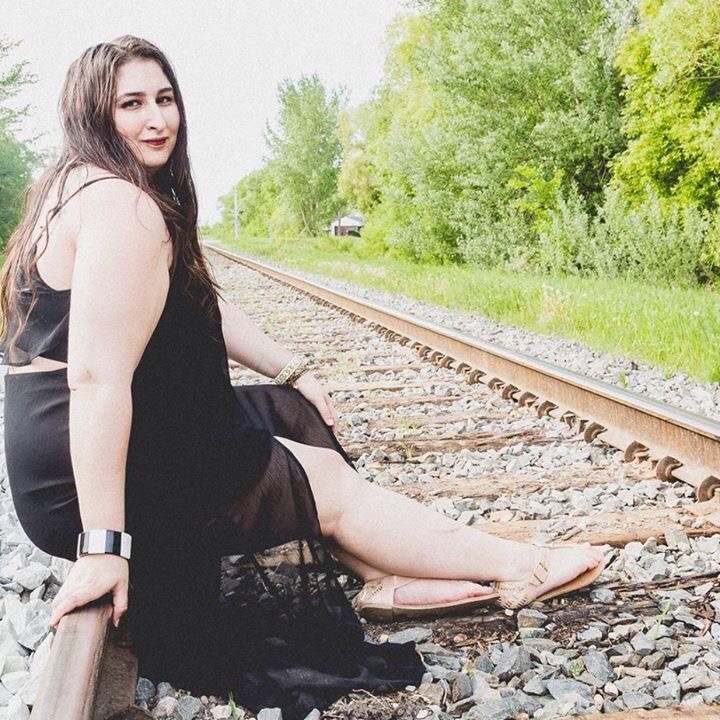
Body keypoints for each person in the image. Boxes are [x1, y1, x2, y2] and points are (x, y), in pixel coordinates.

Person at [0, 36, 604, 719]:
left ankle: (378, 572)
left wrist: (294, 369)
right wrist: (104, 547)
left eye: (164, 99)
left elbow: (198, 305)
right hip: (79, 471)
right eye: (131, 105)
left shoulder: (75, 186)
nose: (157, 120)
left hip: (64, 449)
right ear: (92, 114)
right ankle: (517, 566)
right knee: (324, 482)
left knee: (285, 413)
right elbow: (95, 379)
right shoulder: (122, 206)